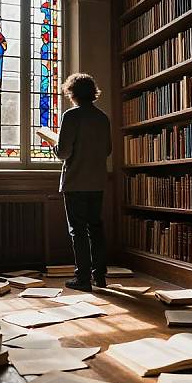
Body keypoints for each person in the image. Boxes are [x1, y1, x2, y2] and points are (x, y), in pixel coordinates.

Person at [52, 73, 112, 292]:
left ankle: (83, 278)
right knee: (95, 228)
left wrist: (55, 147)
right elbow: (107, 150)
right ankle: (100, 275)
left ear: (72, 93)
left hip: (76, 182)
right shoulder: (103, 118)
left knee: (77, 230)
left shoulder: (71, 116)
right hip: (97, 183)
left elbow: (64, 152)